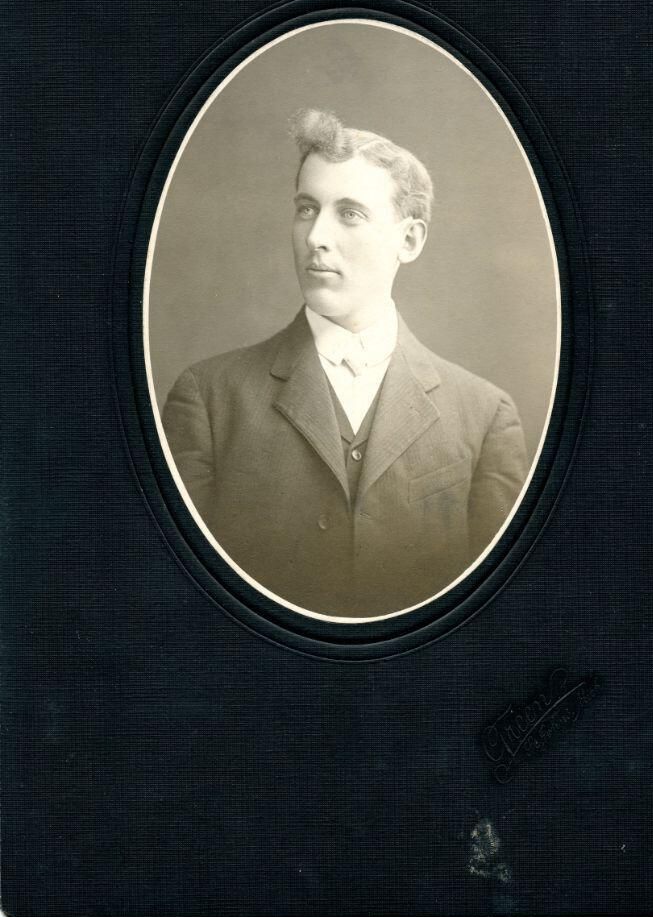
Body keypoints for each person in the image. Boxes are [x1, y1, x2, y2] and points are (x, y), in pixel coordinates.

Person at [162, 109, 528, 618]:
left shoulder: (485, 416)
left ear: (409, 240)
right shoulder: (209, 399)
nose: (315, 236)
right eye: (306, 209)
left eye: (349, 213)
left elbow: (497, 609)